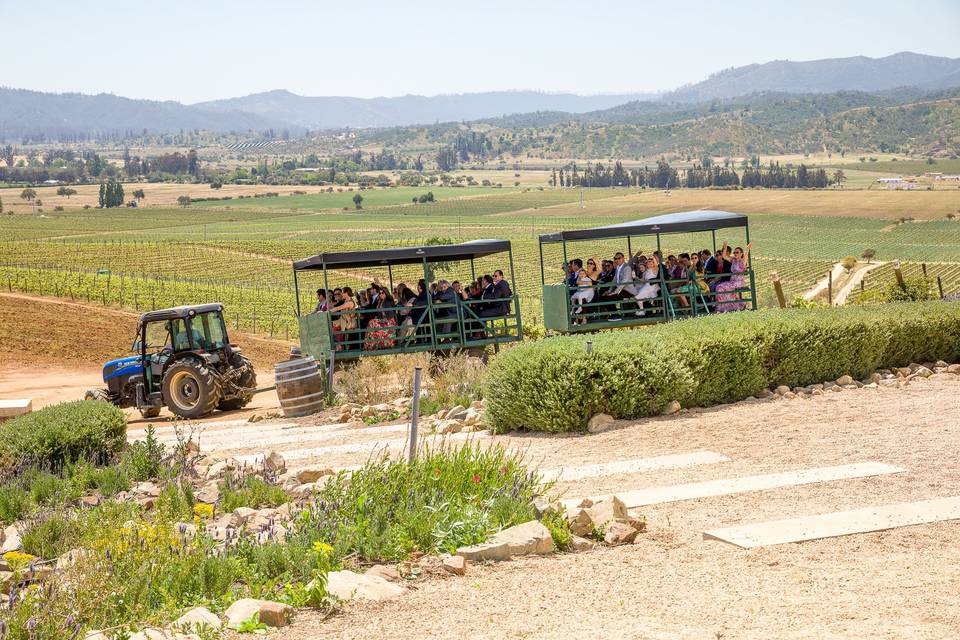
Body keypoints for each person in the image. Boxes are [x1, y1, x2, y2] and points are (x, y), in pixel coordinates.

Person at [715, 243, 751, 312]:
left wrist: (747, 249)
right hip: (732, 281)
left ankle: (735, 306)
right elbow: (724, 256)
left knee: (723, 287)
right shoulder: (733, 260)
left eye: (737, 252)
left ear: (741, 254)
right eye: (734, 252)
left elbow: (746, 256)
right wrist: (725, 247)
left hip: (739, 282)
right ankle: (724, 307)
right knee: (719, 287)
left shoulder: (742, 261)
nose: (735, 253)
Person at [606, 252, 642, 320]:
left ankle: (616, 315)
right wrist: (609, 290)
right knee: (605, 296)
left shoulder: (627, 267)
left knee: (610, 298)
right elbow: (614, 280)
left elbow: (625, 281)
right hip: (621, 290)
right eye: (615, 258)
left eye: (619, 258)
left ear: (623, 258)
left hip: (628, 291)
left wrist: (616, 292)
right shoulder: (617, 267)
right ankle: (614, 314)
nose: (617, 259)